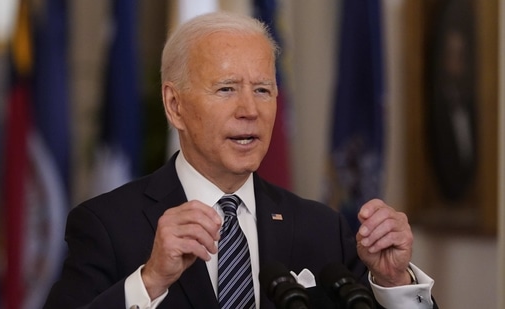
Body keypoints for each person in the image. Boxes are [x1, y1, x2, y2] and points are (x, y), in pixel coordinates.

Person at [44, 11, 436, 309]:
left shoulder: (322, 229)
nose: (250, 109)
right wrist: (149, 281)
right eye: (226, 89)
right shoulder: (106, 225)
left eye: (263, 89)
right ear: (175, 105)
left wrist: (393, 280)